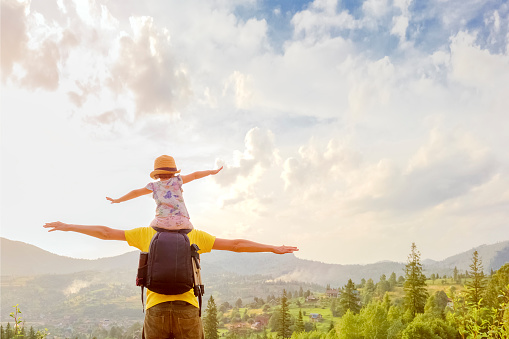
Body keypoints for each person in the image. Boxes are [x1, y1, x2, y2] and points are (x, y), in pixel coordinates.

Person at [43, 221, 298, 339]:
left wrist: (69, 226)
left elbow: (106, 232)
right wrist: (272, 247)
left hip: (156, 311)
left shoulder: (146, 234)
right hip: (188, 311)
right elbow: (237, 244)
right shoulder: (195, 235)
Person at [106, 155, 222, 230]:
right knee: (193, 234)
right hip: (182, 222)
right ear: (173, 171)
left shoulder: (154, 186)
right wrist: (212, 171)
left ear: (157, 173)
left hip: (161, 223)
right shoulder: (178, 180)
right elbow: (195, 175)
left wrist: (118, 200)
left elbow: (136, 193)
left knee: (149, 233)